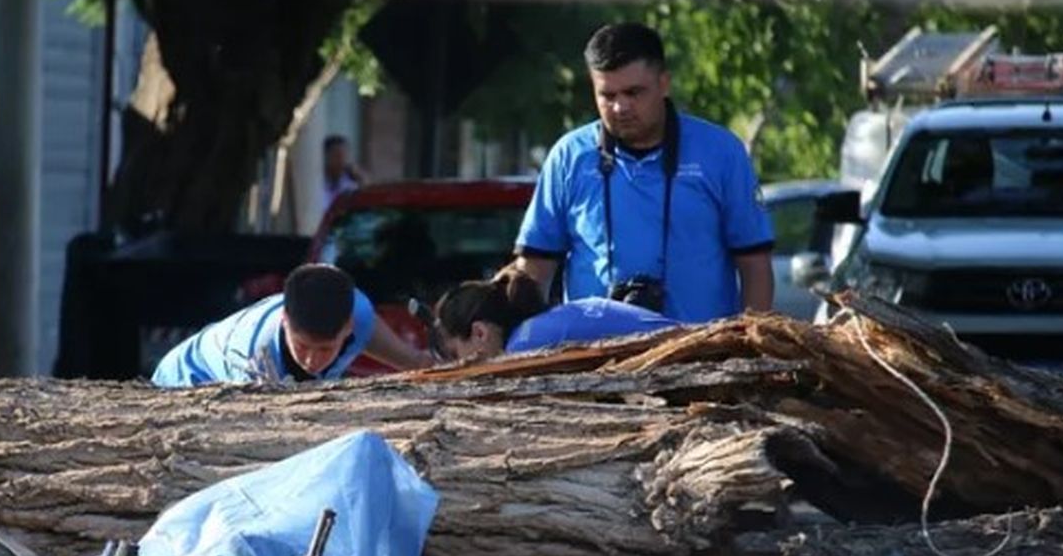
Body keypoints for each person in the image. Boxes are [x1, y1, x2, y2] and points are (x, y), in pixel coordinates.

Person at [504, 22, 774, 322]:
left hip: (701, 356)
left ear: (664, 83)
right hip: (592, 359)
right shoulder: (569, 157)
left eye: (634, 92)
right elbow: (534, 269)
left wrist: (752, 344)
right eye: (607, 95)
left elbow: (755, 265)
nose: (620, 107)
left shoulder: (720, 152)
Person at [152, 264, 432, 387]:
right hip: (184, 381)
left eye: (325, 349)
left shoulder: (358, 311)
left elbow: (413, 361)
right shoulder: (253, 359)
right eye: (302, 346)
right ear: (285, 320)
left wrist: (432, 365)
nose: (311, 360)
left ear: (348, 327)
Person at [434, 271, 677, 362]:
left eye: (456, 354)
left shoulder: (523, 348)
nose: (458, 365)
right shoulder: (534, 332)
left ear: (480, 332)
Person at [322, 134, 366, 212]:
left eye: (345, 156)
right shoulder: (317, 184)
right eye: (337, 156)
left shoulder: (351, 186)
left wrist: (362, 180)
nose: (342, 161)